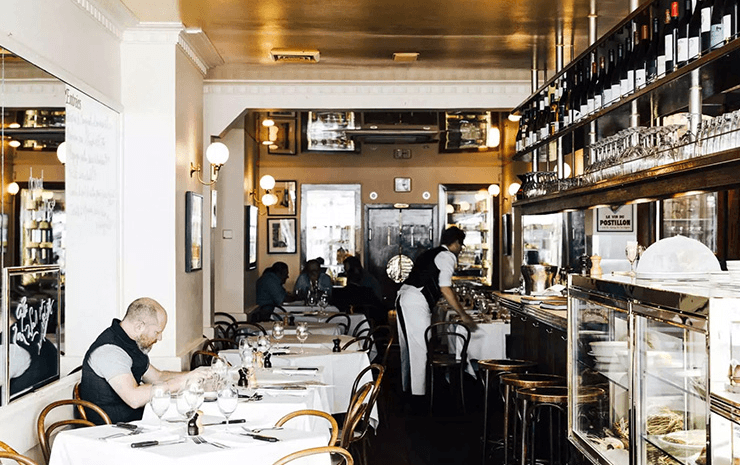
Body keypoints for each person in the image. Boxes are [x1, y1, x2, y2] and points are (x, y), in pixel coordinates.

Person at [79, 297, 207, 424]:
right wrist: (181, 382)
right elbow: (134, 399)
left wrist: (195, 376)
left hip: (134, 423)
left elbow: (158, 377)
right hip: (112, 431)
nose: (160, 337)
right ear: (139, 326)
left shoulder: (129, 343)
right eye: (157, 332)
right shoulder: (109, 352)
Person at [395, 226, 477, 400]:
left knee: (408, 349)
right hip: (415, 301)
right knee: (419, 350)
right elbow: (445, 288)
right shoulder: (447, 256)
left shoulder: (431, 253)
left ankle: (407, 391)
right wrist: (462, 314)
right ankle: (418, 398)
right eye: (461, 244)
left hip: (405, 296)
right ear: (455, 243)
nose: (461, 249)